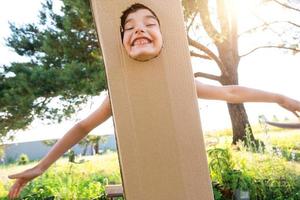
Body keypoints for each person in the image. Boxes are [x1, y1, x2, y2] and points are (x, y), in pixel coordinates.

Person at [8, 3, 300, 199]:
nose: (139, 29)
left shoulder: (181, 83)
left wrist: (279, 97)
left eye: (150, 24)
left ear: (164, 35)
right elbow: (83, 126)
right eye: (130, 27)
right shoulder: (119, 95)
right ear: (122, 39)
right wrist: (41, 166)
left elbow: (231, 92)